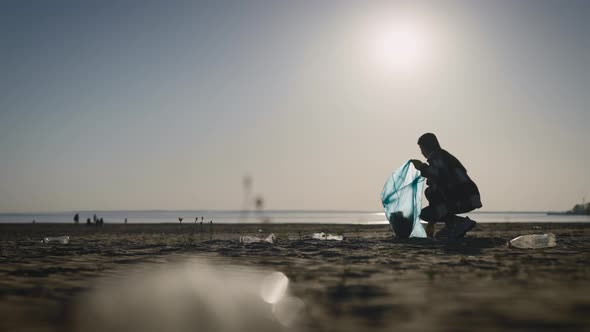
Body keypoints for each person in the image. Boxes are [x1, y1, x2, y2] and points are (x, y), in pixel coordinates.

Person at [410, 133, 482, 239]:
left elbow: (441, 175)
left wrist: (422, 167)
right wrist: (431, 223)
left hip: (463, 197)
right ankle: (453, 226)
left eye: (421, 148)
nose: (421, 152)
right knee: (429, 200)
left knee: (429, 202)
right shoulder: (444, 157)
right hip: (468, 196)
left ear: (427, 146)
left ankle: (457, 223)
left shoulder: (437, 156)